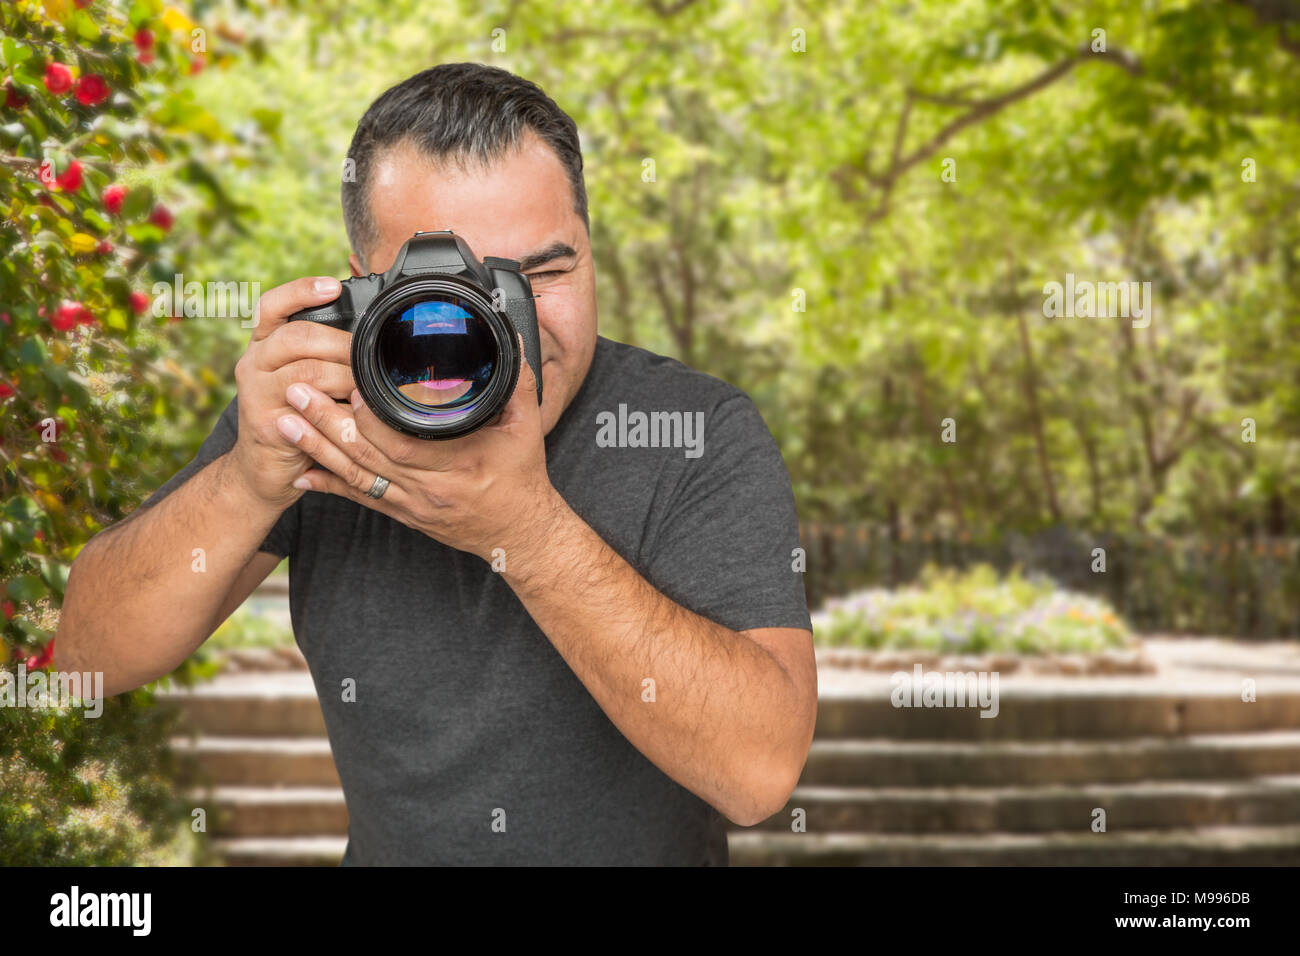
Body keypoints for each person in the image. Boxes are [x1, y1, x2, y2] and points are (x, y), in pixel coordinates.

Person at [54, 62, 816, 866]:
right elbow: (87, 659)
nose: (508, 322)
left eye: (546, 273)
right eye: (461, 287)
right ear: (364, 290)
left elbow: (758, 774)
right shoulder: (323, 413)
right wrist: (247, 480)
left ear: (593, 255)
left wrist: (527, 532)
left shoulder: (688, 429)